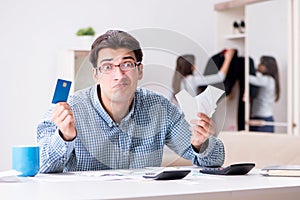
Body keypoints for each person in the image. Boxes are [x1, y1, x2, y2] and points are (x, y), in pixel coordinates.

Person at [36, 30, 225, 173]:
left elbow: (215, 161)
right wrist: (65, 136)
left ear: (140, 70)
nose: (119, 75)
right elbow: (42, 167)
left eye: (127, 64)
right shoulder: (67, 110)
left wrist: (200, 144)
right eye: (108, 67)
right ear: (96, 74)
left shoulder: (161, 109)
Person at [249, 56, 280, 133]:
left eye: (261, 64)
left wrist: (249, 68)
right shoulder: (269, 80)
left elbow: (247, 78)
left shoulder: (267, 80)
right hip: (262, 117)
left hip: (262, 119)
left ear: (267, 67)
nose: (258, 65)